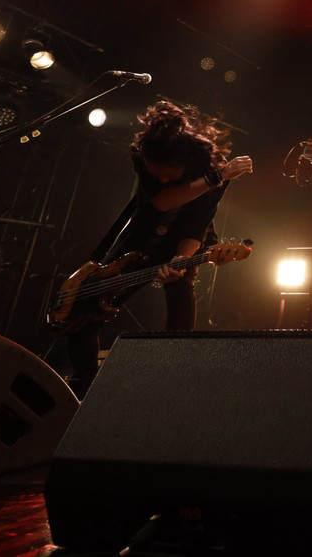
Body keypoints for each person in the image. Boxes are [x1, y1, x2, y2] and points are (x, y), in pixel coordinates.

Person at [63, 100, 253, 394]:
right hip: (141, 234)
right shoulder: (146, 157)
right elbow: (158, 203)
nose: (161, 179)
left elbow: (197, 223)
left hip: (186, 238)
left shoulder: (213, 169)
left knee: (180, 289)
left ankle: (173, 377)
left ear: (188, 164)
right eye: (157, 174)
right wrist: (213, 179)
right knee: (85, 308)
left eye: (169, 175)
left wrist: (181, 259)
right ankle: (82, 385)